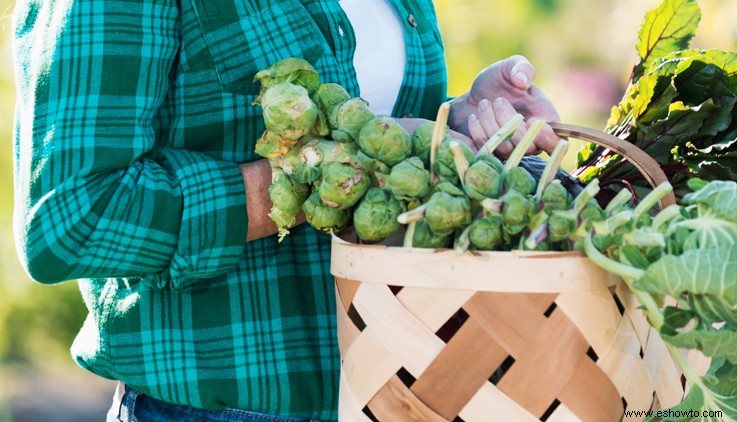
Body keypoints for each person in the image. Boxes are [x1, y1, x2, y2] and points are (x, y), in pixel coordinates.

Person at [12, 0, 560, 421]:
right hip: (220, 408)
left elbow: (373, 123)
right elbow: (71, 218)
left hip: (398, 394)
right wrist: (327, 174)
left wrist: (458, 128)